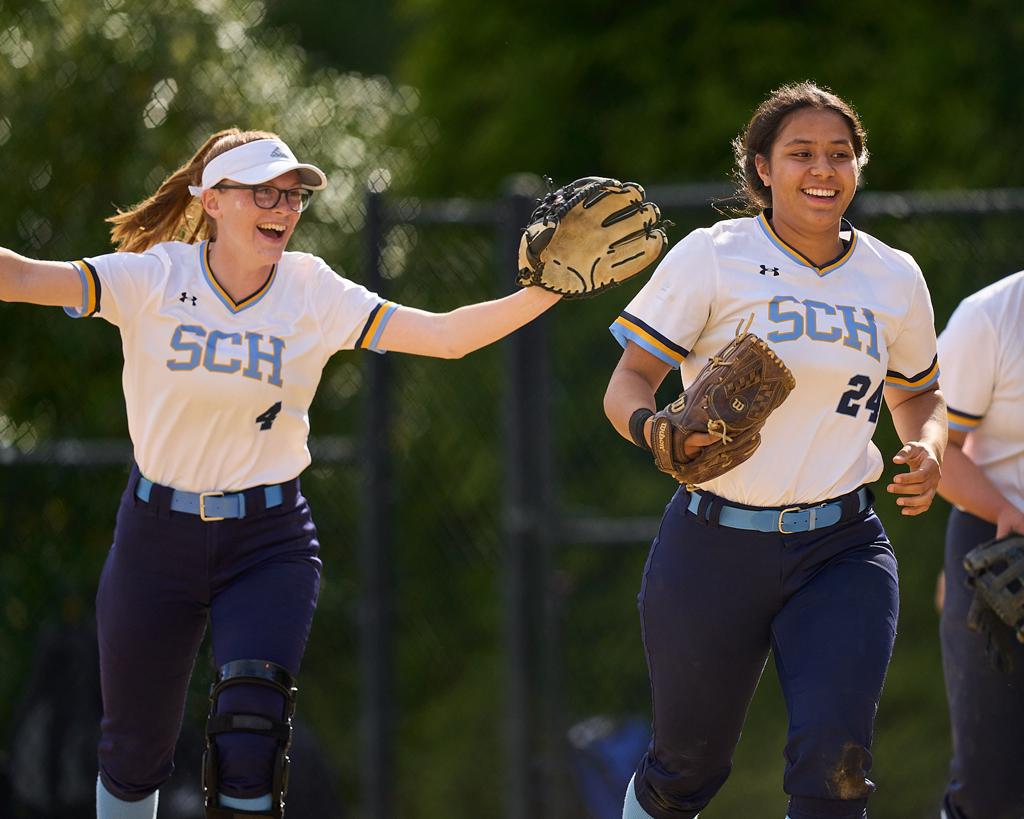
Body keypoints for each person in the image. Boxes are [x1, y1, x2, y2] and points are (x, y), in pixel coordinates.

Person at [0, 128, 565, 819]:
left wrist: (548, 291)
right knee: (131, 754)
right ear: (212, 200)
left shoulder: (310, 289)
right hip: (155, 537)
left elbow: (444, 337)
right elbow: (20, 277)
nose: (284, 207)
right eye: (262, 192)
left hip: (267, 541)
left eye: (293, 194)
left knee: (252, 736)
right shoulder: (154, 277)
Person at [602, 82, 947, 819]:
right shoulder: (714, 256)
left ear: (858, 166)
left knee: (836, 763)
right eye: (801, 153)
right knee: (685, 769)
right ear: (762, 167)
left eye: (840, 154)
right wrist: (651, 428)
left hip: (842, 547)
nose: (823, 169)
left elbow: (919, 395)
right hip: (713, 543)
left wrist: (927, 446)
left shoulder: (894, 276)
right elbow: (628, 381)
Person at [934, 271, 1024, 819]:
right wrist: (1003, 511)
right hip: (1002, 549)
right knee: (989, 786)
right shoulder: (991, 317)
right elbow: (936, 447)